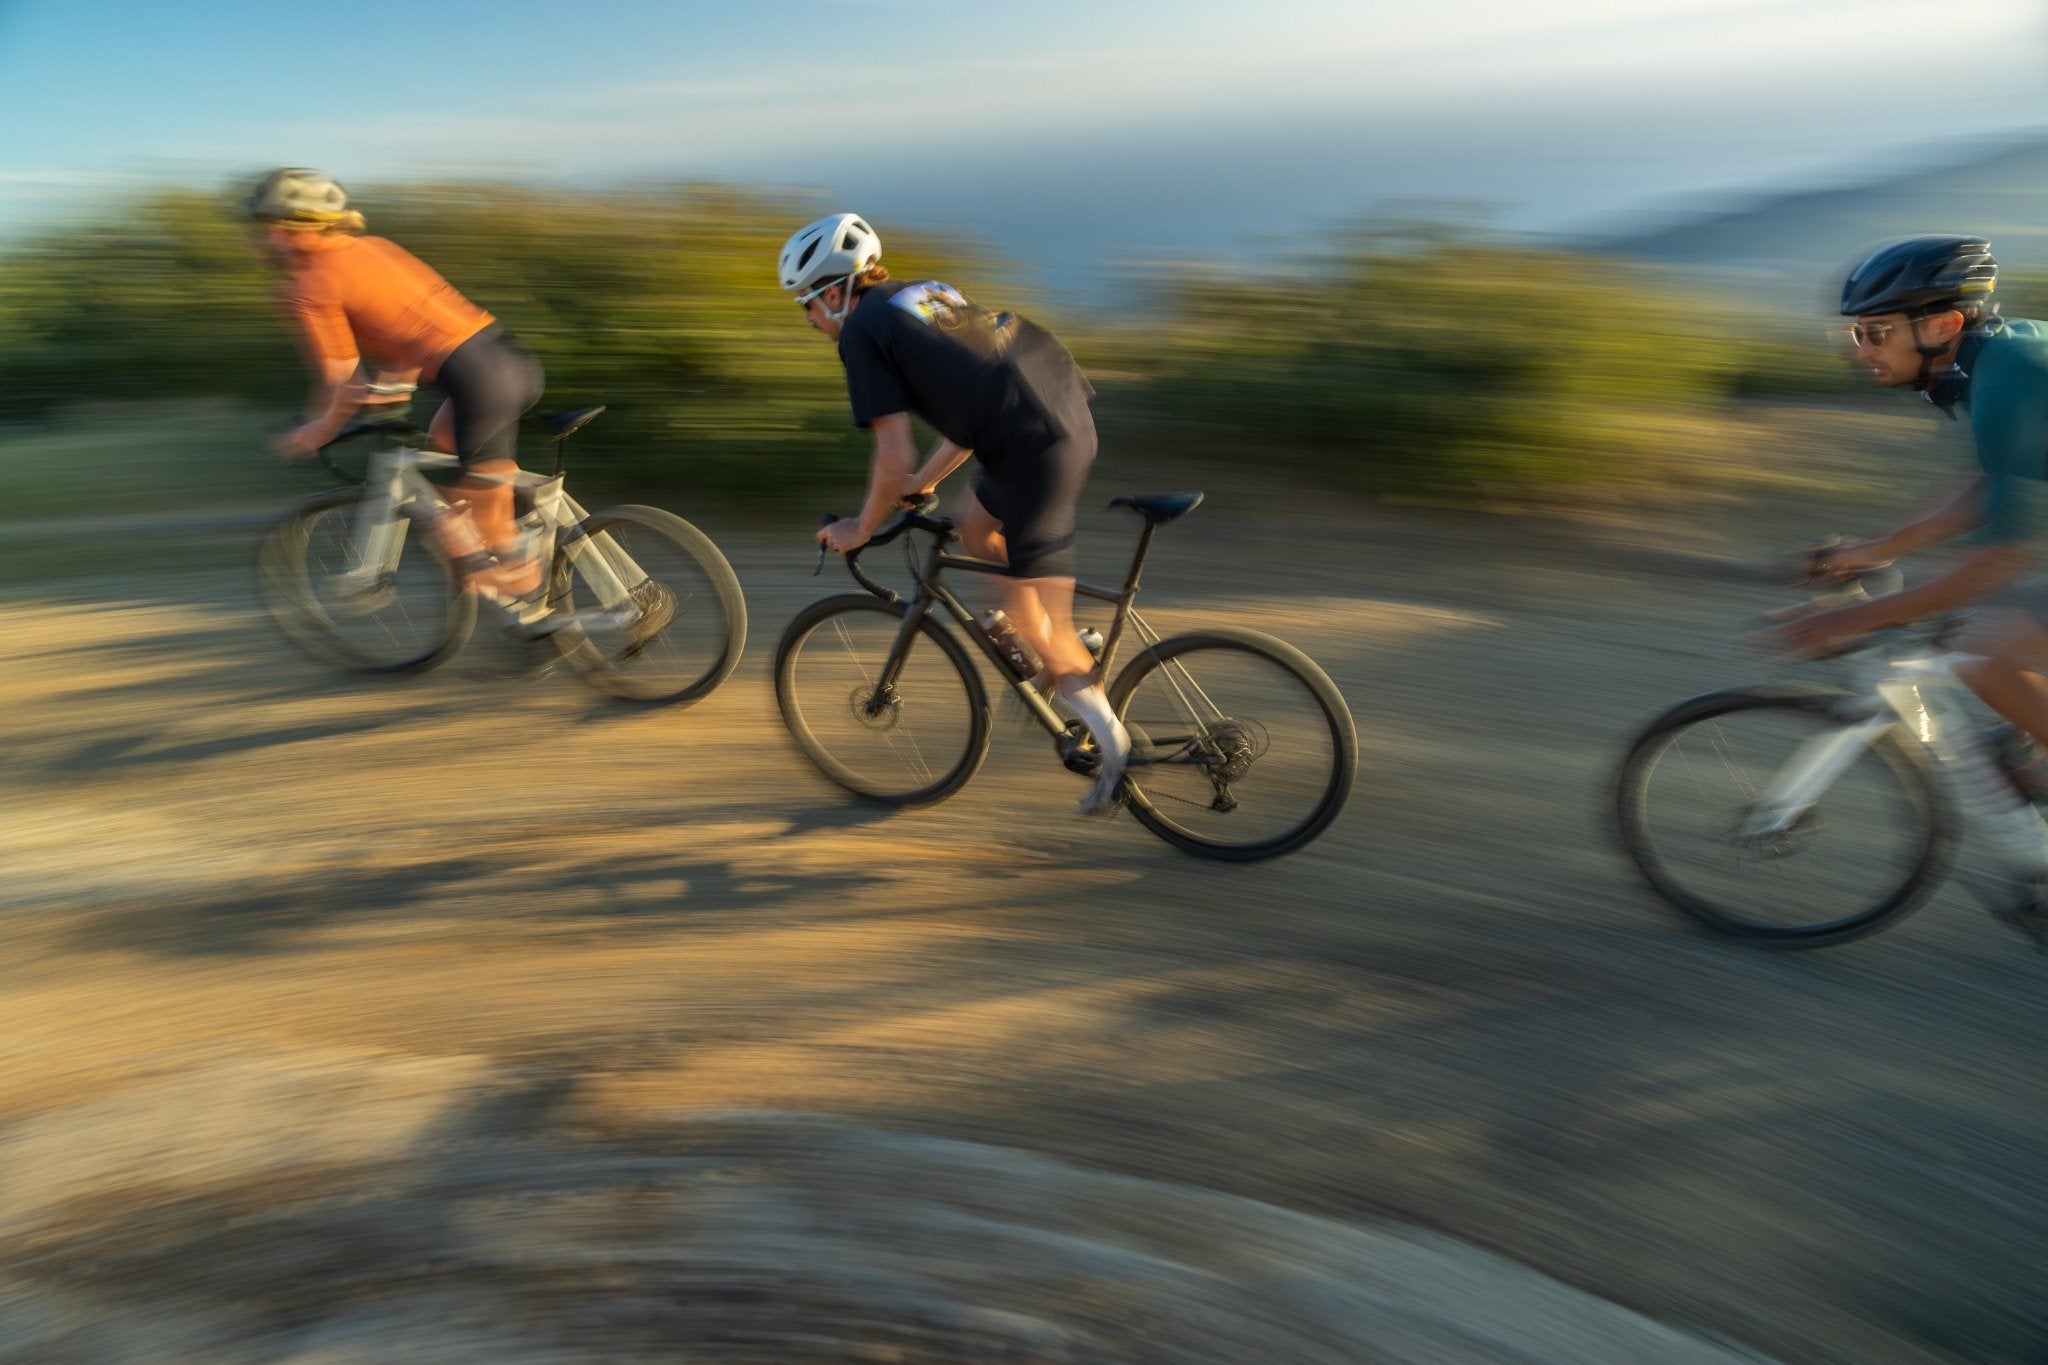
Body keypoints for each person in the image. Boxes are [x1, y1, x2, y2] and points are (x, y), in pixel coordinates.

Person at [780, 212, 1129, 813]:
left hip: (1034, 447)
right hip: (1052, 412)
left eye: (806, 305)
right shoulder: (921, 295)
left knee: (1035, 623)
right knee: (973, 525)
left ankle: (1113, 747)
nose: (808, 319)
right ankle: (1054, 636)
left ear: (835, 295)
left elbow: (892, 449)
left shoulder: (861, 336)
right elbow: (971, 411)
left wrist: (861, 527)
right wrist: (922, 484)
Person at [1770, 233, 2048, 936]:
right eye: (1856, 333)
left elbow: (2004, 555)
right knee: (1980, 624)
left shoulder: (2010, 373)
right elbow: (1990, 485)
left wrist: (1855, 619)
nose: (1860, 349)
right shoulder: (1987, 364)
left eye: (1874, 332)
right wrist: (1876, 550)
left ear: (1942, 325)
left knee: (1990, 645)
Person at [248, 167, 549, 625]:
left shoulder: (308, 286)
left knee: (494, 534)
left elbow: (339, 381)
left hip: (475, 381)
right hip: (506, 361)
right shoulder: (374, 248)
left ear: (295, 228)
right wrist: (391, 387)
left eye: (270, 228)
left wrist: (315, 431)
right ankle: (516, 598)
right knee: (447, 472)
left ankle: (542, 618)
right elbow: (412, 326)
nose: (265, 240)